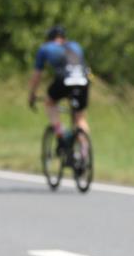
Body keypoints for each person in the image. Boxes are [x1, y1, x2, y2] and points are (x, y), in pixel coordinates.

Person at [28, 25, 91, 160]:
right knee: (80, 118)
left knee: (50, 102)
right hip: (83, 80)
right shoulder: (76, 46)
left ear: (49, 38)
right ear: (64, 37)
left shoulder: (45, 48)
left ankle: (60, 133)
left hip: (64, 80)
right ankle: (84, 151)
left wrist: (32, 94)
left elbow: (37, 76)